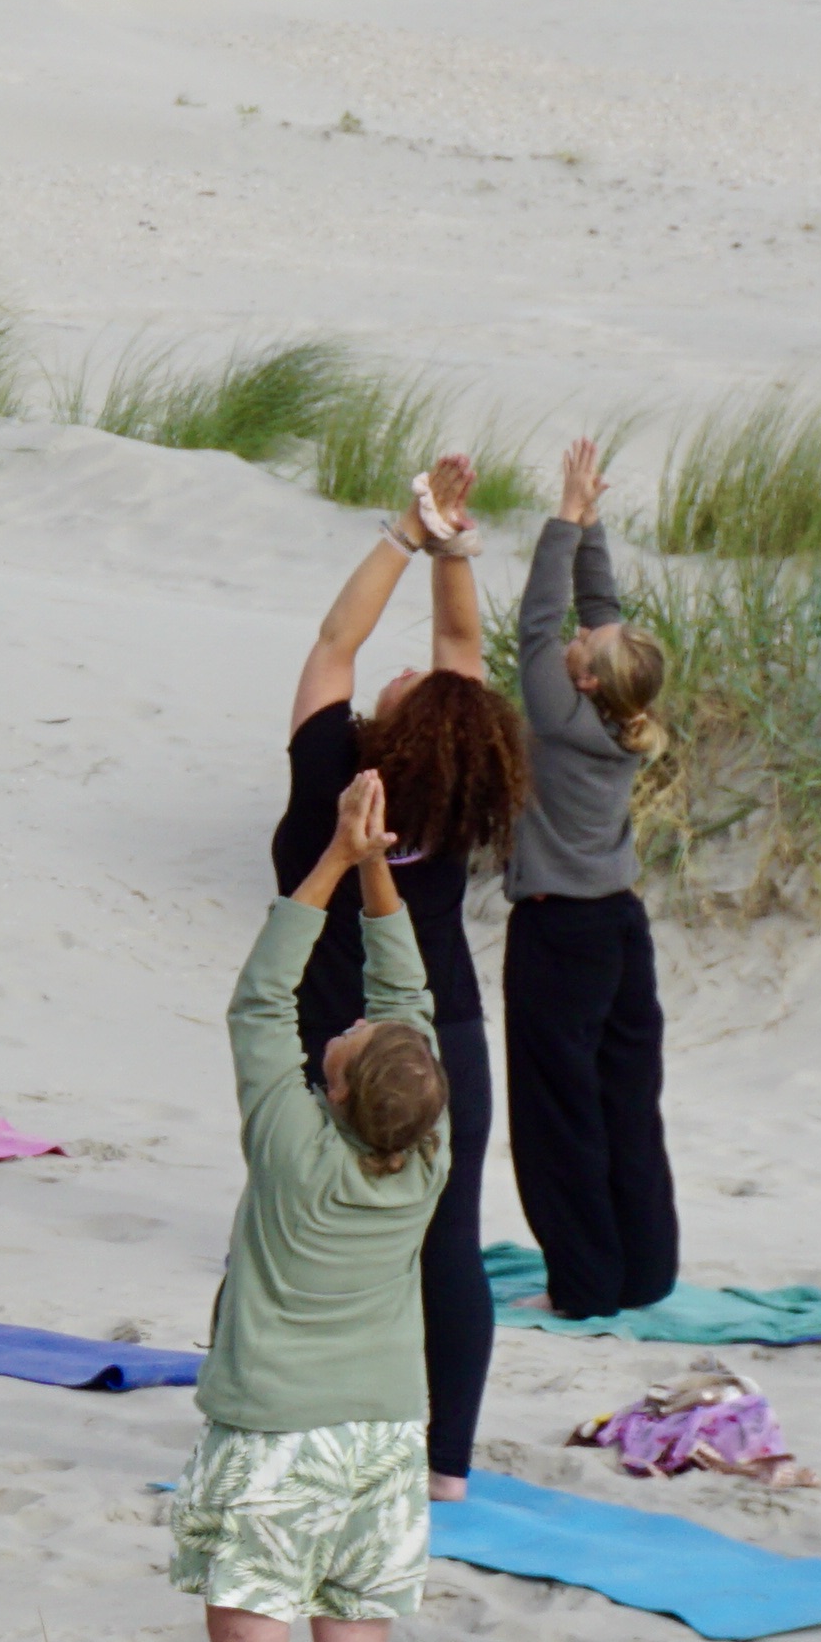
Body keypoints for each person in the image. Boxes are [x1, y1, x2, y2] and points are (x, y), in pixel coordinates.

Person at [165, 770, 445, 1642]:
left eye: (352, 1041)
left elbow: (258, 997)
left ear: (336, 1090)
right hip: (384, 1440)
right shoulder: (423, 1154)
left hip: (273, 1440)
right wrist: (376, 861)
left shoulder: (290, 1146)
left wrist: (333, 857)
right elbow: (407, 992)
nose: (357, 1022)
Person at [272, 459, 522, 1494]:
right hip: (444, 1032)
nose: (418, 672)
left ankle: (283, 1421)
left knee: (291, 1230)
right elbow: (459, 650)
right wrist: (451, 544)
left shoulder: (331, 772)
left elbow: (338, 641)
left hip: (336, 1034)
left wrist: (403, 535)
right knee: (445, 1243)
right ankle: (446, 1464)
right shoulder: (461, 797)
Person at [503, 441, 679, 1320]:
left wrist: (563, 522)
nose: (580, 631)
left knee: (557, 1113)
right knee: (626, 1098)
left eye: (585, 644)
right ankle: (644, 1272)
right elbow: (599, 612)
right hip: (620, 929)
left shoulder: (560, 715)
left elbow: (540, 618)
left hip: (559, 931)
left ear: (581, 678)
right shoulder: (623, 710)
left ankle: (586, 1284)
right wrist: (593, 518)